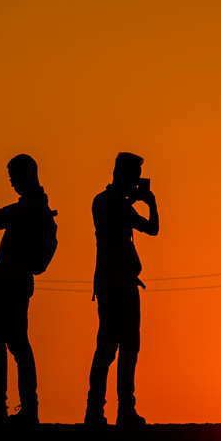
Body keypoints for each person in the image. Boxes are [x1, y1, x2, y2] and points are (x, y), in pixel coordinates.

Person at [0, 155, 56, 426]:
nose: (12, 183)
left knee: (4, 342)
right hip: (15, 282)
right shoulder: (37, 207)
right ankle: (17, 407)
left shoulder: (30, 207)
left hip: (12, 284)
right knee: (13, 343)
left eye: (13, 177)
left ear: (25, 176)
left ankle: (4, 407)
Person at [86, 152, 159, 426]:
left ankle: (109, 410)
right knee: (115, 349)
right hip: (117, 286)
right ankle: (108, 410)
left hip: (114, 284)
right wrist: (149, 204)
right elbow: (152, 228)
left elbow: (150, 230)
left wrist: (138, 202)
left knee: (117, 348)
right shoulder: (111, 202)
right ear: (125, 175)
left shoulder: (106, 201)